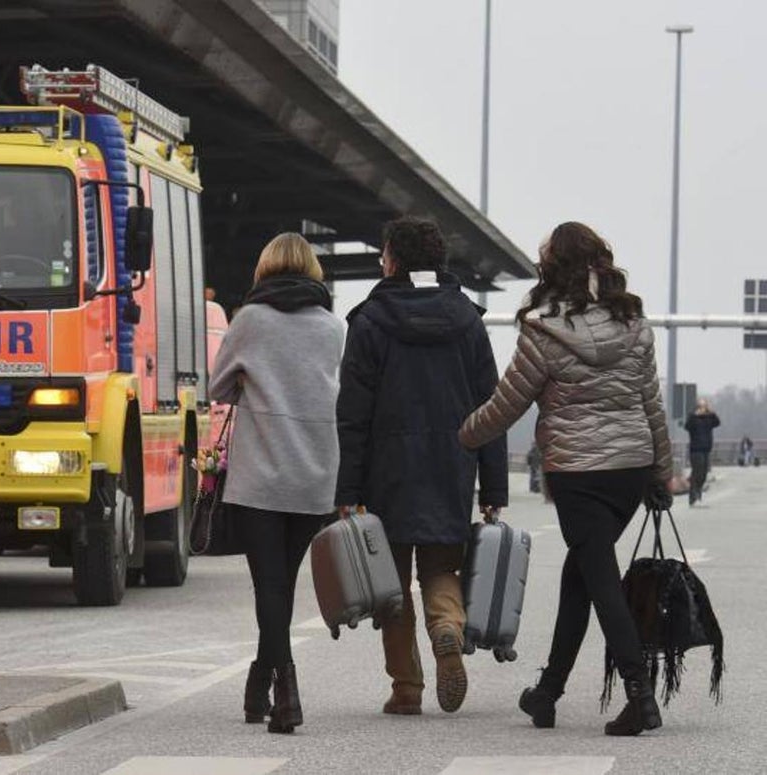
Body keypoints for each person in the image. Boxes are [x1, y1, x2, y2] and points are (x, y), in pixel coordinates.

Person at [459, 221, 674, 737]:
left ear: (553, 268)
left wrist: (461, 437)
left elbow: (507, 404)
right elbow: (651, 405)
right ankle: (547, 693)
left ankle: (639, 694)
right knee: (580, 575)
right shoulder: (634, 324)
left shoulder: (542, 329)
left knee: (601, 581)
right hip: (629, 471)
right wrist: (661, 473)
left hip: (578, 474)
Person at [335, 216, 508, 717]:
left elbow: (353, 415)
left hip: (387, 468)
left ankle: (406, 687)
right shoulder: (468, 320)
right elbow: (489, 407)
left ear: (392, 259)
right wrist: (493, 485)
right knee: (441, 565)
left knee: (391, 583)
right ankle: (448, 628)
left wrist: (347, 489)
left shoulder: (369, 321)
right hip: (453, 462)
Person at [208, 232, 343, 734]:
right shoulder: (333, 327)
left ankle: (284, 691)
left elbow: (218, 386)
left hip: (261, 474)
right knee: (282, 582)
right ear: (313, 272)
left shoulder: (249, 321)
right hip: (314, 476)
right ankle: (260, 683)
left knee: (268, 584)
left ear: (264, 270)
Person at [684, 399, 721, 504]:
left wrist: (711, 412)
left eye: (704, 406)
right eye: (701, 406)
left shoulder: (708, 418)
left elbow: (717, 422)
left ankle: (698, 491)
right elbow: (687, 426)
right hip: (695, 450)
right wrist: (694, 415)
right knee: (697, 472)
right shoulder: (693, 418)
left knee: (704, 473)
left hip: (706, 449)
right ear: (697, 407)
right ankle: (693, 496)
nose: (702, 408)